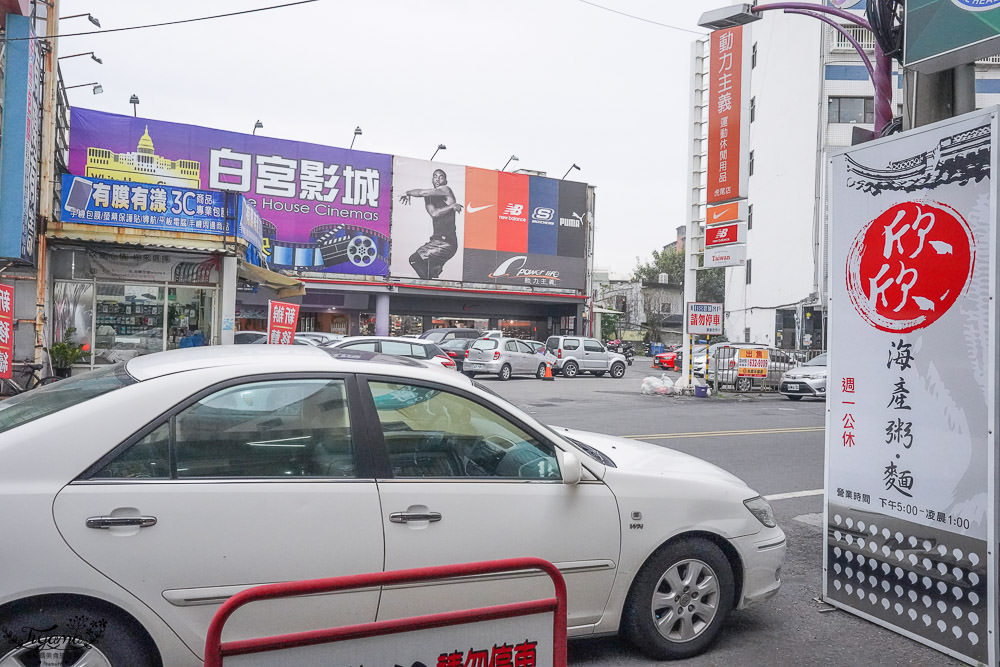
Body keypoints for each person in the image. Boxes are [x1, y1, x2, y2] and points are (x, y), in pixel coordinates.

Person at [399, 169, 463, 279]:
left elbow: (422, 192)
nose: (438, 179)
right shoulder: (429, 197)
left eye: (441, 177)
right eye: (435, 176)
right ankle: (434, 278)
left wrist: (407, 192)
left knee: (415, 259)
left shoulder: (445, 189)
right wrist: (451, 207)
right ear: (432, 179)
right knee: (428, 269)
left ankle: (429, 282)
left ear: (445, 180)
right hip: (436, 241)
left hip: (446, 242)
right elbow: (434, 213)